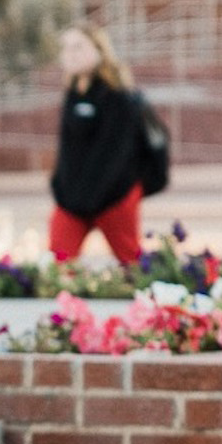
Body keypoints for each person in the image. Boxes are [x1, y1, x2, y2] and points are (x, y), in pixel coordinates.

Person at [48, 22, 146, 265]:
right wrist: (61, 187)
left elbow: (116, 154)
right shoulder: (73, 93)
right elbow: (67, 151)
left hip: (113, 197)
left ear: (99, 50)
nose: (71, 53)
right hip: (73, 199)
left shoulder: (118, 96)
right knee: (58, 265)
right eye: (66, 47)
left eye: (79, 46)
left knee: (133, 265)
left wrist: (94, 196)